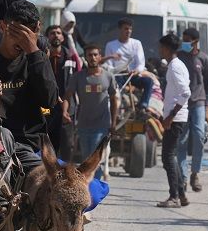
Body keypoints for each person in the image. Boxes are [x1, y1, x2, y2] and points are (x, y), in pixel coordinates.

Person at [0, 0, 57, 154]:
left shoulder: (37, 59)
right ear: (2, 27)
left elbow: (50, 101)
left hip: (29, 145)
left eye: (27, 36)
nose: (21, 41)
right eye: (16, 33)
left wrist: (33, 50)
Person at [63, 44, 118, 177]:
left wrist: (114, 122)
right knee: (86, 159)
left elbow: (114, 100)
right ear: (86, 58)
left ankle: (95, 191)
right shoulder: (78, 77)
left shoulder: (109, 77)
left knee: (94, 159)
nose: (92, 57)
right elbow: (67, 96)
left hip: (101, 125)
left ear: (100, 57)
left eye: (95, 55)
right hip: (83, 125)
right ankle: (90, 189)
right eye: (89, 55)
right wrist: (64, 112)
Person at [156, 33, 191, 208]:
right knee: (172, 156)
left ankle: (174, 196)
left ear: (168, 48)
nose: (159, 50)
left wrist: (170, 116)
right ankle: (182, 195)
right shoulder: (176, 65)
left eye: (161, 47)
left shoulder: (175, 66)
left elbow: (185, 93)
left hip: (176, 118)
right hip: (175, 116)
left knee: (168, 157)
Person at [177, 27, 208, 192]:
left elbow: (206, 83)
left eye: (187, 39)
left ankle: (195, 173)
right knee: (181, 140)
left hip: (199, 101)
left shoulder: (203, 59)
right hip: (182, 103)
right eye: (183, 39)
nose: (184, 42)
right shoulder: (179, 57)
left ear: (195, 41)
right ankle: (183, 177)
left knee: (199, 136)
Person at [104, 17, 153, 114]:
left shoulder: (136, 43)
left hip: (133, 75)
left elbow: (141, 63)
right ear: (120, 29)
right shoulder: (110, 45)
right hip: (118, 76)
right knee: (115, 89)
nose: (128, 31)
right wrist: (119, 71)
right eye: (126, 28)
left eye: (130, 29)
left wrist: (136, 71)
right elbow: (108, 66)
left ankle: (143, 105)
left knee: (149, 81)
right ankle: (116, 110)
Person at [46, 24, 79, 155]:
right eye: (52, 33)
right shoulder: (42, 57)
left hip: (67, 106)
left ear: (63, 38)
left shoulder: (71, 58)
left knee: (66, 143)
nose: (56, 35)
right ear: (48, 37)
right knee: (47, 141)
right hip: (47, 106)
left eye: (59, 33)